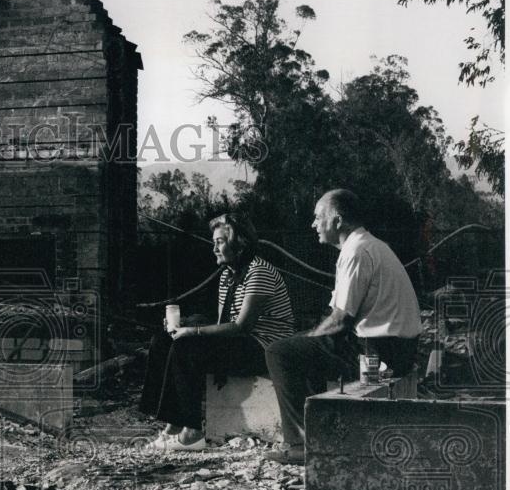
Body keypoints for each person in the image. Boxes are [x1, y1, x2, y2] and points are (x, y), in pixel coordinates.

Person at [264, 189, 422, 464]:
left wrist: (309, 337)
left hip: (380, 352)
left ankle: (302, 444)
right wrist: (309, 338)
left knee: (279, 352)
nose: (313, 224)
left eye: (317, 217)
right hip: (397, 347)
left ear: (337, 220)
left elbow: (340, 320)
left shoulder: (356, 251)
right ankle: (319, 433)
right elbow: (339, 315)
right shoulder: (370, 245)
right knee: (304, 347)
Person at [140, 213, 295, 451]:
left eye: (220, 242)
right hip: (241, 341)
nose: (214, 248)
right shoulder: (227, 275)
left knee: (187, 345)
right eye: (214, 242)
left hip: (264, 347)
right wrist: (183, 327)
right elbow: (225, 321)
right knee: (163, 340)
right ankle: (173, 423)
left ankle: (192, 432)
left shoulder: (259, 272)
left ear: (239, 244)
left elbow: (242, 326)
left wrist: (193, 332)